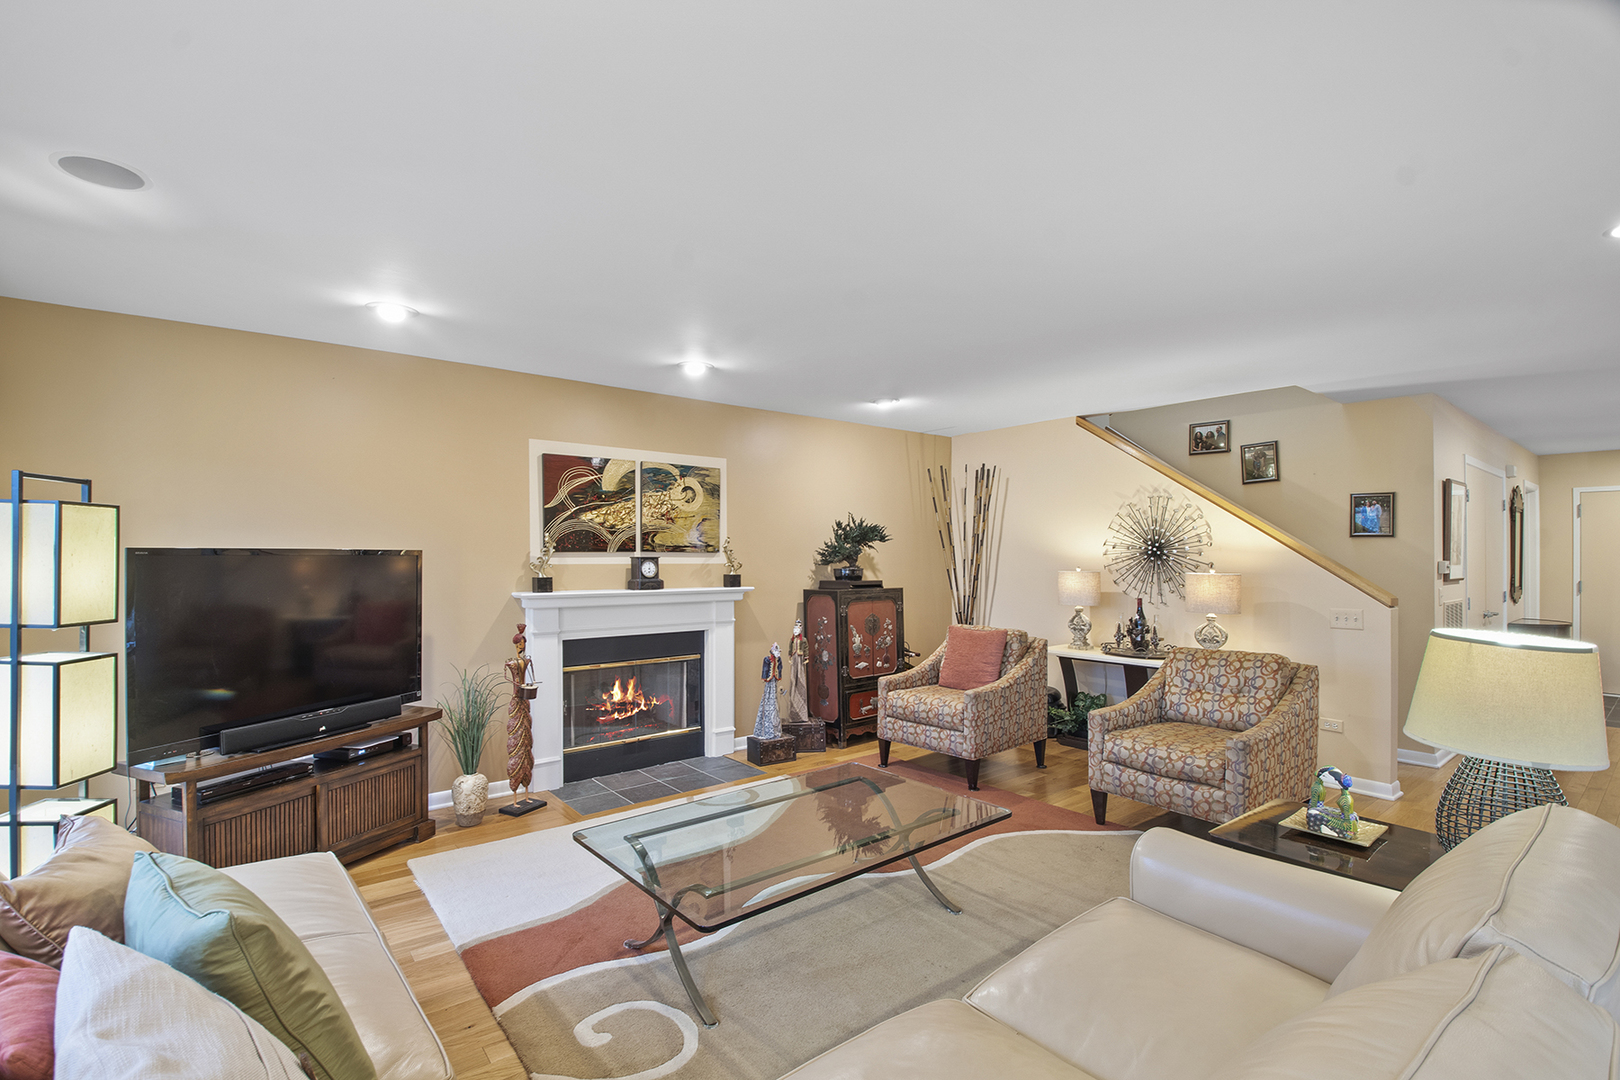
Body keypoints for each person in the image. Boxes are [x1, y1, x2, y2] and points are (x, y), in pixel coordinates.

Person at [754, 642, 783, 740]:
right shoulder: (767, 659)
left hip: (774, 680)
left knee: (773, 702)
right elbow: (765, 669)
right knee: (767, 700)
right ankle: (765, 730)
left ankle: (774, 729)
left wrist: (779, 675)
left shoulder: (778, 659)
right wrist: (764, 678)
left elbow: (780, 667)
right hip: (769, 681)